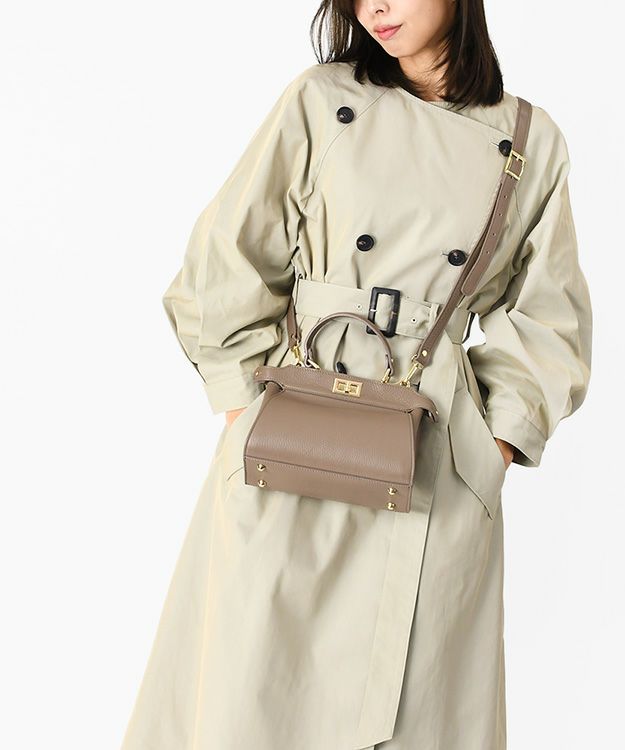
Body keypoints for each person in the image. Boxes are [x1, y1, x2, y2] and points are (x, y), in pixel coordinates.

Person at [120, 1, 593, 748]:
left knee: (412, 706)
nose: (375, 7)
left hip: (431, 464)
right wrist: (246, 407)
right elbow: (226, 257)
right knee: (253, 693)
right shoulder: (322, 100)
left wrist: (493, 446)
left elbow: (549, 318)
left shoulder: (530, 140)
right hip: (294, 442)